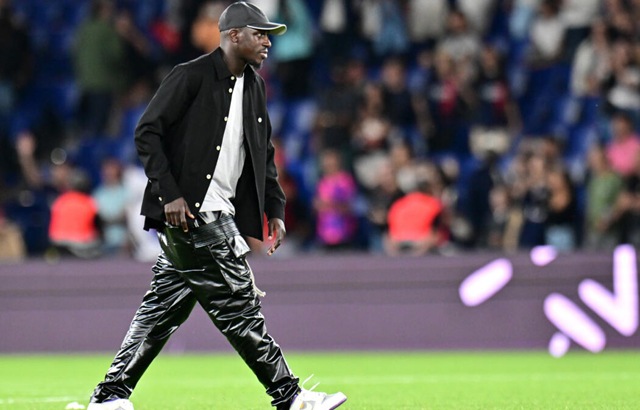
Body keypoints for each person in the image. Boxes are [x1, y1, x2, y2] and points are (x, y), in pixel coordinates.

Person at [87, 3, 347, 410]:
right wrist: (169, 192)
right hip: (195, 212)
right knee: (238, 306)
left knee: (160, 312)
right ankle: (291, 398)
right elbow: (146, 132)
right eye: (259, 33)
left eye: (268, 35)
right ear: (234, 34)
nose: (267, 41)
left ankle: (108, 398)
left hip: (218, 209)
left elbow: (264, 154)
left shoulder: (256, 86)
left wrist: (274, 207)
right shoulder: (189, 76)